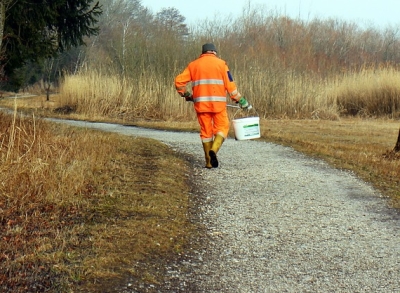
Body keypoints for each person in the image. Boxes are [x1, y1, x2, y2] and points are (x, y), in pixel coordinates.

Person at [174, 43, 252, 168]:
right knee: (223, 127)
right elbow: (231, 87)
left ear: (203, 52)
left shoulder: (193, 65)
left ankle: (208, 162)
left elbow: (178, 82)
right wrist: (241, 100)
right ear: (214, 52)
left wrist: (186, 94)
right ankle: (214, 151)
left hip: (201, 105)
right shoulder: (221, 64)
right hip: (218, 105)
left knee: (206, 132)